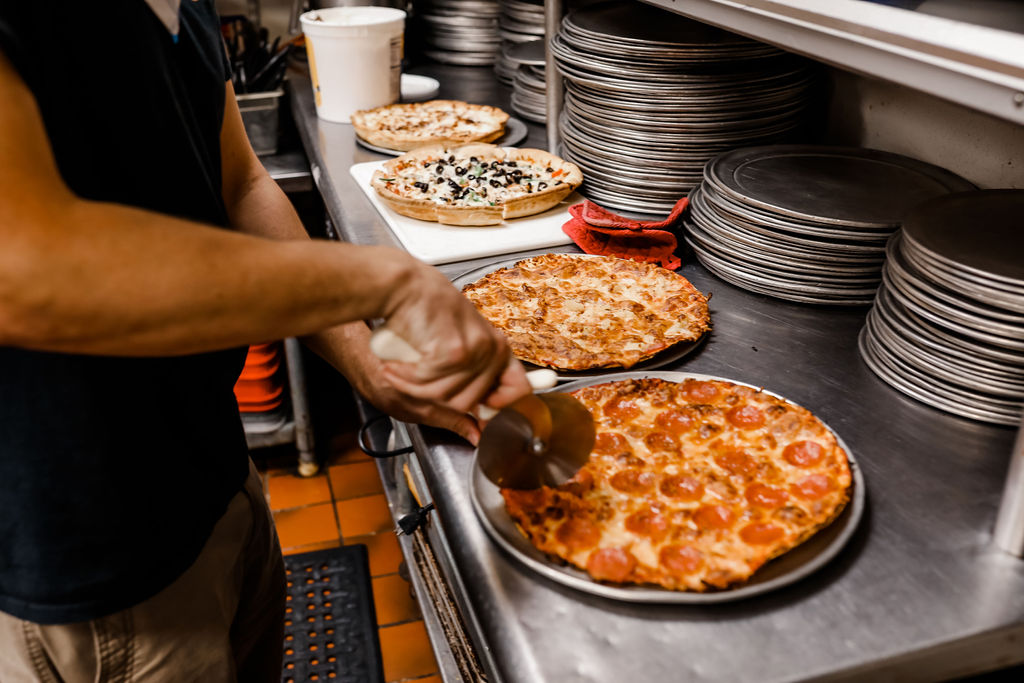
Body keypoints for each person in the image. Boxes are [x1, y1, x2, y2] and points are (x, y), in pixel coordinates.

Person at [0, 1, 530, 681]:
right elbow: (24, 270)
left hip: (215, 471)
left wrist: (361, 355)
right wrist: (387, 283)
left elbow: (239, 183)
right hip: (87, 545)